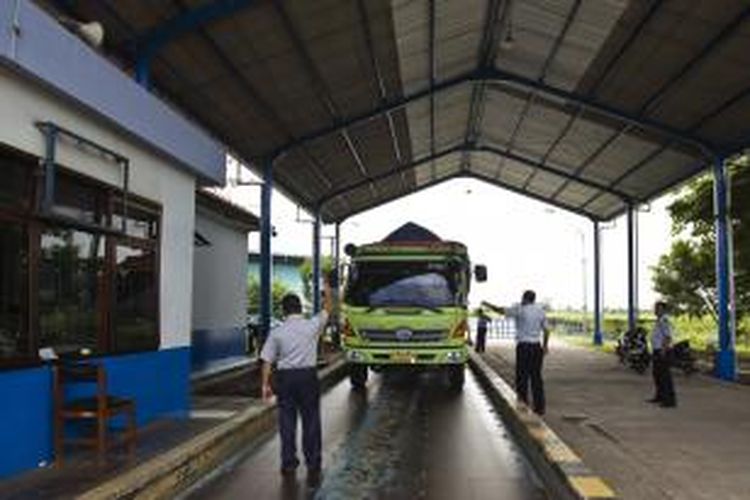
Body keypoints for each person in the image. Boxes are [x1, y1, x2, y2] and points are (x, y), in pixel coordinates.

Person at [260, 277, 333, 486]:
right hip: (308, 377)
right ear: (300, 308)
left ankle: (289, 463)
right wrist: (327, 290)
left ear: (284, 311)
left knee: (287, 421)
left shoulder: (277, 332)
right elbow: (328, 309)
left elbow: (267, 361)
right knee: (311, 420)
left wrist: (265, 385)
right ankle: (313, 462)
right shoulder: (311, 326)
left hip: (285, 379)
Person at [482, 290, 550, 415]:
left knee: (522, 376)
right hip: (536, 348)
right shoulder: (541, 311)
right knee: (536, 378)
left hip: (523, 347)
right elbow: (546, 330)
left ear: (524, 298)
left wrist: (487, 305)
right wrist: (545, 346)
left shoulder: (520, 309)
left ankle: (523, 404)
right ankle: (540, 408)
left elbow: (500, 310)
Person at [647, 301, 677, 408]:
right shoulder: (659, 320)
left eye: (658, 308)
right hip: (657, 350)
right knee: (657, 375)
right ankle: (659, 396)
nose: (655, 310)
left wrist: (663, 351)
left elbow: (667, 337)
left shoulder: (664, 320)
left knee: (665, 377)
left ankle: (669, 401)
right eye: (655, 308)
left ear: (663, 310)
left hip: (662, 351)